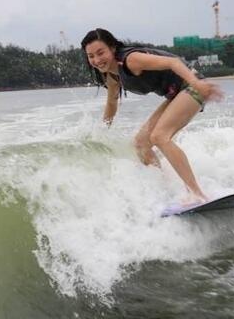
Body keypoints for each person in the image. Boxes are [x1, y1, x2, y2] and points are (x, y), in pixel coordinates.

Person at [81, 28, 223, 205]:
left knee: (159, 136)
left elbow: (174, 62)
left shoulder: (131, 60)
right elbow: (111, 104)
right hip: (177, 93)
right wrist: (101, 133)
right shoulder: (111, 75)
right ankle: (165, 189)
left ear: (112, 47)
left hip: (192, 85)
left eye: (100, 52)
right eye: (91, 56)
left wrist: (197, 84)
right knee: (141, 144)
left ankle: (197, 193)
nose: (96, 60)